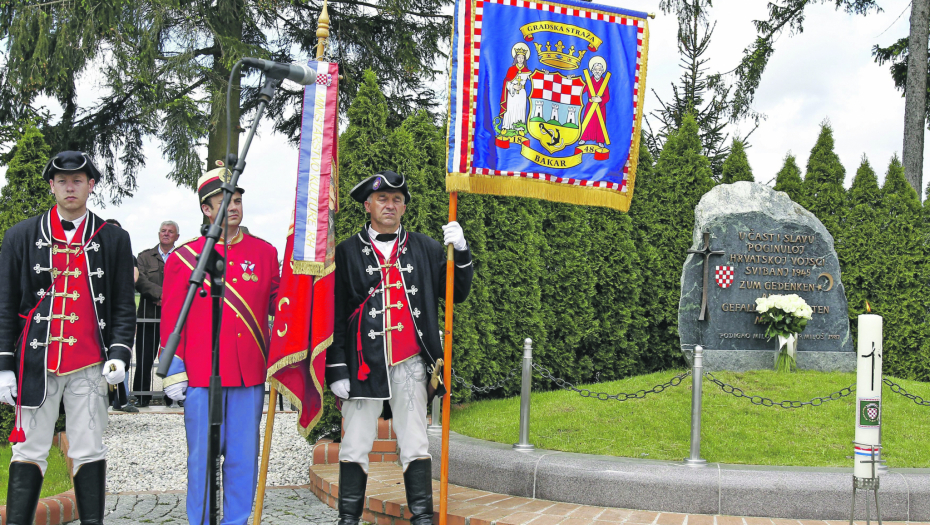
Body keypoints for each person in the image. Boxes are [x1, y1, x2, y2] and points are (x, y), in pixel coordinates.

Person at [325, 170, 474, 525]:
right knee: (355, 445)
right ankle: (349, 520)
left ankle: (421, 518)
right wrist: (337, 368)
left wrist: (463, 252)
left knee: (415, 443)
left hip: (410, 362)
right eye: (382, 199)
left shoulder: (427, 247)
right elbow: (336, 312)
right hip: (362, 366)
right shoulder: (345, 252)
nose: (389, 205)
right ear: (367, 205)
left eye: (396, 200)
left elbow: (457, 294)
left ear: (404, 207)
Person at [0, 151, 137, 525]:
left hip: (90, 366)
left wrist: (120, 354)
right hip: (35, 364)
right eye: (62, 181)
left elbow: (125, 306)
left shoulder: (113, 238)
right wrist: (3, 367)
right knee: (28, 449)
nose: (70, 187)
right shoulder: (21, 236)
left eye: (78, 180)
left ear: (91, 185)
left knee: (89, 448)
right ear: (52, 186)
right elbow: (5, 303)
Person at [161, 162, 279, 525]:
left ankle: (237, 521)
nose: (233, 207)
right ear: (206, 209)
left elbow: (280, 306)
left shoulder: (265, 253)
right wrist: (174, 368)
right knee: (202, 459)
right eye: (224, 200)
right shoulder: (184, 258)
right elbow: (171, 318)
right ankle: (199, 521)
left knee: (244, 458)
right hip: (200, 374)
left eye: (238, 199)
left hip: (248, 375)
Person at [134, 220, 179, 407]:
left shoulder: (183, 256)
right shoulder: (144, 257)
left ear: (177, 236)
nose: (166, 234)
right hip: (149, 315)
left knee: (174, 358)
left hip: (175, 317)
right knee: (144, 356)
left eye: (170, 231)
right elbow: (140, 280)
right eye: (163, 231)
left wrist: (170, 300)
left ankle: (173, 397)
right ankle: (141, 397)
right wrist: (161, 296)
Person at [104, 218, 140, 414]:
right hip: (101, 313)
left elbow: (133, 277)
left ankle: (122, 399)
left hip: (117, 310)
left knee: (121, 357)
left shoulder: (128, 256)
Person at [579, 56, 610, 148]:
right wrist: (574, 81)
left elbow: (607, 96)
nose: (597, 71)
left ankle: (600, 141)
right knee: (587, 122)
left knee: (600, 124)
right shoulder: (589, 81)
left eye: (599, 69)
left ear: (602, 71)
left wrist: (600, 100)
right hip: (590, 105)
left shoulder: (604, 82)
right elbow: (581, 89)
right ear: (592, 70)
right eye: (595, 69)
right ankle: (583, 138)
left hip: (600, 107)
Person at [499, 43, 531, 131]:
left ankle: (519, 128)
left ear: (524, 59)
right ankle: (506, 127)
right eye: (519, 57)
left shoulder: (527, 71)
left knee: (520, 109)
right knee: (510, 108)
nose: (520, 59)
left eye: (522, 58)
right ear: (516, 58)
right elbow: (506, 82)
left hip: (521, 93)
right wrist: (513, 86)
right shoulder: (511, 69)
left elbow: (535, 78)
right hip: (512, 94)